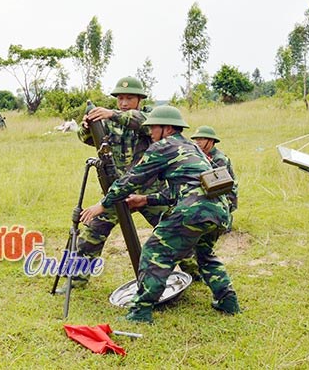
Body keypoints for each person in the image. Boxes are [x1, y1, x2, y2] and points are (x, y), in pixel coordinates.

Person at [81, 105, 239, 323]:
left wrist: (103, 204)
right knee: (204, 255)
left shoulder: (163, 147)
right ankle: (228, 302)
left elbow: (132, 179)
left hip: (193, 211)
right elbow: (180, 188)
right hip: (219, 211)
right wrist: (146, 200)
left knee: (154, 253)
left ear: (167, 128)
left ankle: (140, 312)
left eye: (154, 127)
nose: (151, 132)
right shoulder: (191, 147)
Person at [56, 76, 175, 293]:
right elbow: (88, 139)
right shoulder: (110, 121)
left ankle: (194, 272)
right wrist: (87, 126)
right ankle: (76, 280)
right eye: (120, 98)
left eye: (129, 98)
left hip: (151, 192)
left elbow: (141, 123)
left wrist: (113, 114)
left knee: (174, 231)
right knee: (92, 232)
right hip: (120, 191)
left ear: (140, 99)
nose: (124, 102)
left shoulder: (151, 117)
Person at [190, 125, 239, 217]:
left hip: (224, 197)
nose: (197, 142)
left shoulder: (219, 159)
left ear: (211, 141)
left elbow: (217, 185)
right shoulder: (199, 156)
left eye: (201, 139)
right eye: (196, 139)